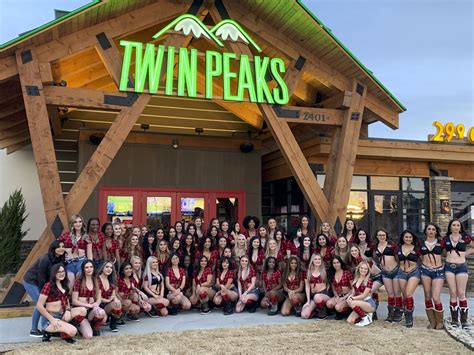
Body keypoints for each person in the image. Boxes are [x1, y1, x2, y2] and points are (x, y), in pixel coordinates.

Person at [23, 240, 66, 337]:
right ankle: (33, 330)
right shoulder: (45, 259)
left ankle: (49, 327)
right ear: (53, 248)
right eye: (58, 247)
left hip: (44, 282)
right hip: (31, 281)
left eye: (63, 246)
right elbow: (41, 277)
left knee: (46, 303)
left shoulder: (60, 258)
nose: (61, 248)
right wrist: (46, 294)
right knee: (40, 303)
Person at [36, 264, 83, 343]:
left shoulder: (64, 285)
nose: (61, 273)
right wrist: (52, 320)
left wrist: (68, 310)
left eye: (63, 271)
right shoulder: (48, 286)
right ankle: (48, 332)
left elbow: (67, 301)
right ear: (54, 273)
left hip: (63, 315)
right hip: (50, 319)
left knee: (82, 310)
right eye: (58, 272)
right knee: (73, 331)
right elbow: (39, 305)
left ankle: (65, 331)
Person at [443, 219, 473, 328]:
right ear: (450, 227)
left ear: (460, 227)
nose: (456, 227)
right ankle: (455, 320)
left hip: (461, 267)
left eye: (458, 225)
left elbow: (473, 246)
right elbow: (440, 251)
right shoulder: (445, 239)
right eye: (453, 225)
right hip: (449, 267)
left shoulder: (465, 238)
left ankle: (464, 320)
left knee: (461, 293)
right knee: (453, 293)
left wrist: (465, 254)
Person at [71, 260, 106, 338]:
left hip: (91, 311)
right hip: (81, 311)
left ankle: (94, 325)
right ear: (83, 269)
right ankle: (79, 326)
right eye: (86, 267)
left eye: (91, 267)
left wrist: (96, 305)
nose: (89, 269)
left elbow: (99, 299)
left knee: (101, 313)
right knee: (88, 336)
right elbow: (74, 301)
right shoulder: (79, 281)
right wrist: (88, 305)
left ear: (94, 268)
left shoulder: (97, 280)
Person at [420, 223, 445, 329]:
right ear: (426, 231)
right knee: (427, 295)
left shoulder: (441, 242)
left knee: (436, 296)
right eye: (429, 229)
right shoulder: (421, 243)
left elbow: (445, 253)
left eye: (433, 229)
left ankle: (440, 321)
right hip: (425, 270)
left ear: (436, 231)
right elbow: (420, 255)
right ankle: (432, 321)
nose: (431, 231)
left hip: (438, 271)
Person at [374, 229, 402, 323]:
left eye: (383, 235)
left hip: (395, 271)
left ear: (386, 236)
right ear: (377, 236)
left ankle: (398, 312)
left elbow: (399, 256)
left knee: (397, 293)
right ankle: (390, 314)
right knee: (390, 294)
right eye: (380, 235)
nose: (382, 237)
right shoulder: (375, 246)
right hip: (385, 272)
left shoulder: (392, 245)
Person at [60, 214, 92, 289]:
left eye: (80, 221)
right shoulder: (66, 235)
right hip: (69, 263)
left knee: (79, 286)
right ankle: (68, 300)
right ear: (72, 224)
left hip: (81, 262)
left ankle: (77, 300)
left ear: (82, 223)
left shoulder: (86, 236)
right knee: (69, 285)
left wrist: (90, 264)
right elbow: (59, 247)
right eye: (75, 222)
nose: (78, 224)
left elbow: (89, 253)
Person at [396, 230, 420, 328]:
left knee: (409, 294)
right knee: (405, 295)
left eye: (410, 237)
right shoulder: (397, 248)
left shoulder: (417, 248)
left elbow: (425, 258)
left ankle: (409, 317)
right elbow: (394, 259)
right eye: (406, 237)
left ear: (412, 238)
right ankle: (406, 312)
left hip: (414, 272)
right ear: (403, 238)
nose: (408, 239)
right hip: (401, 272)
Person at [346, 261, 376, 327]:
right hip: (359, 303)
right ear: (358, 268)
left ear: (368, 270)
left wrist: (352, 298)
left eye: (365, 269)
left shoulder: (369, 280)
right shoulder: (356, 279)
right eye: (362, 268)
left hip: (368, 303)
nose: (363, 270)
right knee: (350, 321)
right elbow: (353, 293)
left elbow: (364, 295)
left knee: (353, 303)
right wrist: (350, 297)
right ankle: (367, 315)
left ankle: (365, 318)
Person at [301, 254, 329, 320]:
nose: (317, 261)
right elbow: (307, 287)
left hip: (324, 295)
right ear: (312, 261)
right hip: (313, 296)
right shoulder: (307, 272)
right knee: (304, 315)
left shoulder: (325, 270)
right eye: (315, 259)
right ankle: (315, 310)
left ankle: (323, 312)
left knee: (317, 297)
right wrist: (308, 301)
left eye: (319, 259)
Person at [97, 261, 122, 332]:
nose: (109, 269)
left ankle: (113, 324)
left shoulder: (111, 280)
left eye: (111, 268)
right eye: (107, 267)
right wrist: (108, 300)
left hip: (106, 305)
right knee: (103, 319)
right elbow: (96, 297)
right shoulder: (97, 279)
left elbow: (113, 295)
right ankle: (98, 323)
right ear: (102, 268)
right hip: (97, 305)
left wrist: (116, 299)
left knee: (118, 303)